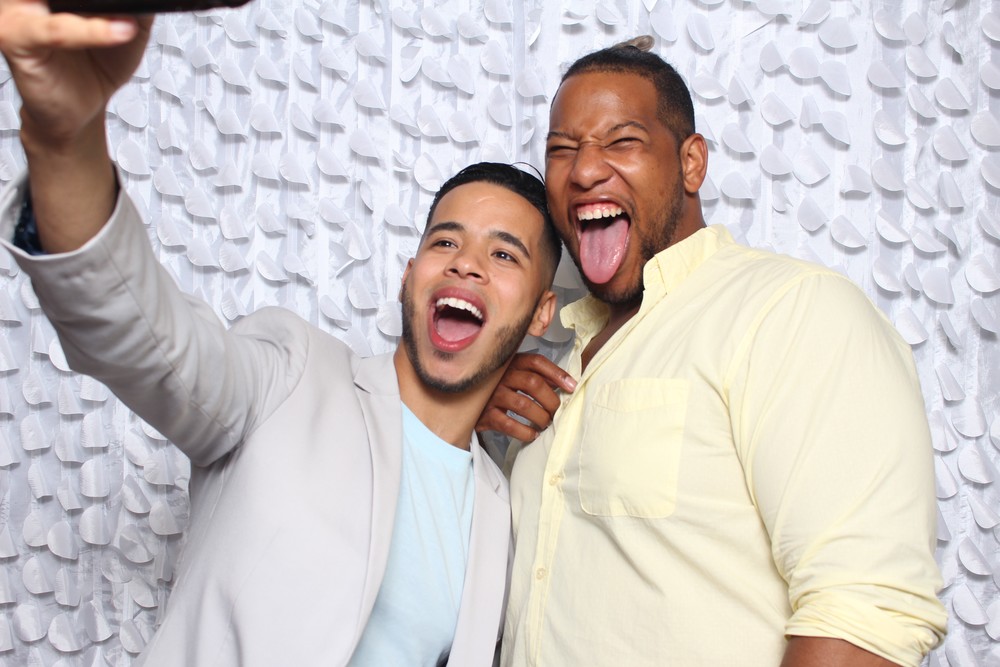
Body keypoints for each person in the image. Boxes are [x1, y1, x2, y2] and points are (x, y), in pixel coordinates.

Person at [0, 8, 563, 666]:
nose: (466, 264)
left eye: (504, 255)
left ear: (541, 312)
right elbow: (141, 334)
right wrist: (64, 139)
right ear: (409, 278)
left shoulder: (499, 512)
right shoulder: (291, 375)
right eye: (445, 242)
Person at [477, 38, 947, 666]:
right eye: (562, 150)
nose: (584, 170)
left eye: (622, 141)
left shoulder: (791, 312)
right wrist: (476, 422)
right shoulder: (558, 361)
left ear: (692, 163)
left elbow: (865, 613)